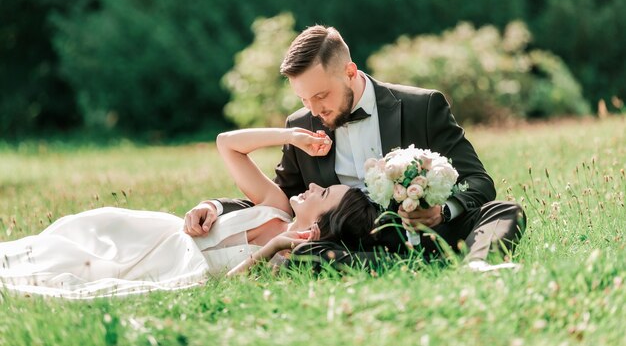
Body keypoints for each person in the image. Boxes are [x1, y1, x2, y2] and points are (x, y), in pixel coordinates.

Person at [185, 25, 526, 270]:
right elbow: (281, 197)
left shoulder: (422, 107)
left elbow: (478, 181)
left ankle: (477, 269)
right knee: (314, 254)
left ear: (350, 71)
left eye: (321, 96)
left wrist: (442, 211)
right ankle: (398, 265)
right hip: (342, 243)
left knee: (504, 210)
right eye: (304, 99)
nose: (315, 110)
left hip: (425, 230)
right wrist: (217, 206)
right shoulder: (301, 125)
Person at [0, 128, 378, 298]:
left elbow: (226, 284)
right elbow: (227, 144)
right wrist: (291, 136)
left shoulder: (284, 258)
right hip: (152, 235)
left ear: (315, 227)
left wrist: (273, 246)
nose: (312, 185)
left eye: (323, 192)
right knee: (65, 242)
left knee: (66, 270)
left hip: (170, 268)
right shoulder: (275, 207)